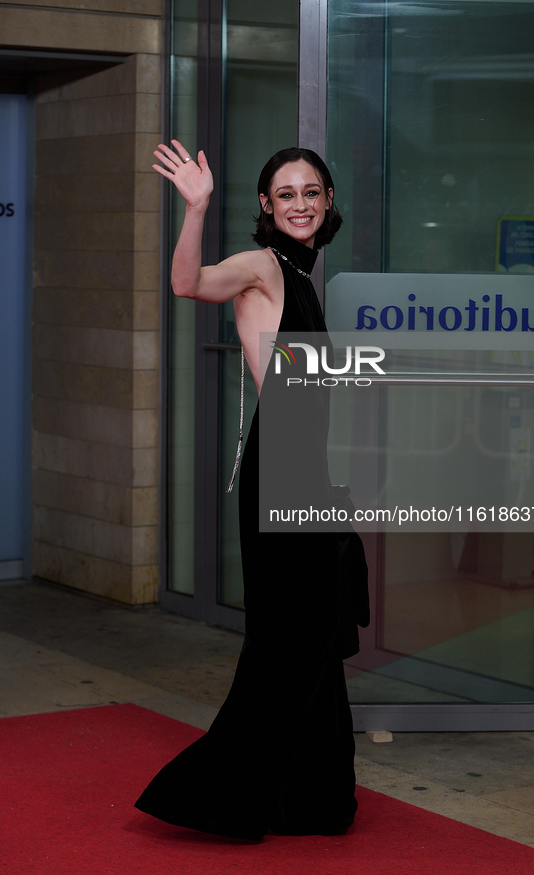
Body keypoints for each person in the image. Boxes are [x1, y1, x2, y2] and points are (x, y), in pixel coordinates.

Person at [134, 140, 368, 842]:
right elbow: (188, 284)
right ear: (266, 206)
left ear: (327, 203)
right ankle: (216, 793)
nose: (300, 203)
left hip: (306, 468)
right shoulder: (263, 266)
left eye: (311, 192)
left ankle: (311, 796)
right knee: (290, 640)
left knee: (319, 635)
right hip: (282, 468)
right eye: (286, 193)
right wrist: (196, 207)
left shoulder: (302, 272)